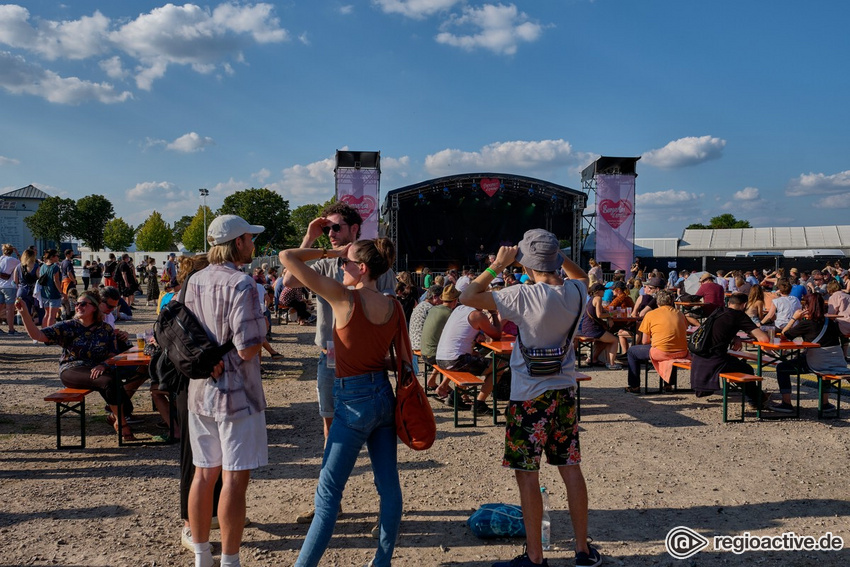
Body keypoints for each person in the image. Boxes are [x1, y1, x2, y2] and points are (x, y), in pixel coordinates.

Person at [459, 228, 602, 567]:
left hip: (528, 397)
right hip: (564, 390)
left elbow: (466, 296)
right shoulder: (576, 291)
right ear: (554, 260)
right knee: (571, 469)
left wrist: (497, 264)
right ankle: (582, 551)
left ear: (525, 263)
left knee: (527, 475)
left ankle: (536, 557)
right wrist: (555, 255)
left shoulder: (521, 295)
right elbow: (581, 274)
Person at [281, 237, 406, 567]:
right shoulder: (393, 306)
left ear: (361, 268)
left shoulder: (344, 298)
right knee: (388, 485)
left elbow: (287, 257)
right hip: (383, 396)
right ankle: (382, 562)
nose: (341, 266)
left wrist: (328, 251)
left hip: (352, 400)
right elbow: (396, 360)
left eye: (345, 262)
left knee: (328, 494)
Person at [185, 215, 268, 567]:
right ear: (238, 243)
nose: (254, 244)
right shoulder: (243, 285)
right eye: (250, 238)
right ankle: (230, 559)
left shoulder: (195, 280)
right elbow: (248, 346)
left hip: (201, 390)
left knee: (204, 473)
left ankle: (203, 554)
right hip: (237, 392)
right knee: (234, 477)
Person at [14, 290, 137, 438]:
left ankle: (116, 416)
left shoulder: (105, 329)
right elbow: (38, 335)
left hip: (96, 370)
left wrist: (103, 365)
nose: (78, 307)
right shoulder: (68, 326)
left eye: (84, 304)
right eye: (77, 303)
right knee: (109, 382)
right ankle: (122, 424)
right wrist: (24, 314)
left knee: (124, 402)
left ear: (95, 308)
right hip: (72, 369)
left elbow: (112, 355)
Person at [773, 293, 847, 414]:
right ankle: (825, 403)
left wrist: (794, 318)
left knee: (782, 367)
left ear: (807, 307)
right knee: (825, 367)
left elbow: (784, 336)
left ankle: (786, 403)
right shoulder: (832, 323)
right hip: (836, 362)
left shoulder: (806, 324)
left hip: (816, 363)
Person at [690, 293, 769, 405]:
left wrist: (734, 336)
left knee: (739, 365)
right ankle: (756, 401)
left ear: (728, 303)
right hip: (715, 360)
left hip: (700, 357)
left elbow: (719, 328)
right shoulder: (739, 316)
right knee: (747, 369)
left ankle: (758, 396)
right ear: (744, 305)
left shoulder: (718, 311)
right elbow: (764, 338)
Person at [435, 293, 503, 414]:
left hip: (441, 358)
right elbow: (497, 335)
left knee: (475, 361)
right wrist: (493, 313)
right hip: (455, 360)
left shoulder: (459, 309)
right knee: (500, 366)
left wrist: (476, 335)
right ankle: (479, 404)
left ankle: (454, 397)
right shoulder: (477, 315)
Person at [625, 290, 690, 393]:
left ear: (657, 302)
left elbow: (645, 341)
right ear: (672, 301)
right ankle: (668, 384)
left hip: (663, 352)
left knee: (632, 351)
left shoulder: (651, 314)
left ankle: (634, 386)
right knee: (671, 348)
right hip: (682, 352)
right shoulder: (680, 314)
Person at [578, 283, 622, 369]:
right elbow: (599, 315)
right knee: (614, 340)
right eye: (603, 290)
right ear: (597, 292)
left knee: (604, 341)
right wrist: (613, 313)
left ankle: (592, 359)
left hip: (587, 327)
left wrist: (609, 317)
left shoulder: (591, 299)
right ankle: (611, 364)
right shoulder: (598, 299)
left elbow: (603, 311)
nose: (605, 292)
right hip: (593, 329)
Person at [13, 248, 39, 328]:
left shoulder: (18, 267)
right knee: (36, 309)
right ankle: (34, 325)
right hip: (33, 290)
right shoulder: (36, 266)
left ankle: (26, 325)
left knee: (24, 311)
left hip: (21, 290)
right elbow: (39, 278)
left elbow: (15, 281)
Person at [38, 249, 63, 329]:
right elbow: (56, 281)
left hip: (44, 293)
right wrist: (61, 292)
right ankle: (50, 333)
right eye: (57, 256)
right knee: (52, 316)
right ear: (52, 257)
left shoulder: (42, 266)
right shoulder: (55, 267)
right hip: (54, 293)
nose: (58, 257)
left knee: (47, 314)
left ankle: (44, 330)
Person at [0, 243, 21, 334]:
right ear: (11, 251)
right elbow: (23, 263)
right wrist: (17, 253)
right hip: (9, 286)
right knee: (10, 309)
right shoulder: (13, 260)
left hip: (0, 285)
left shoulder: (0, 259)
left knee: (0, 308)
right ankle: (11, 329)